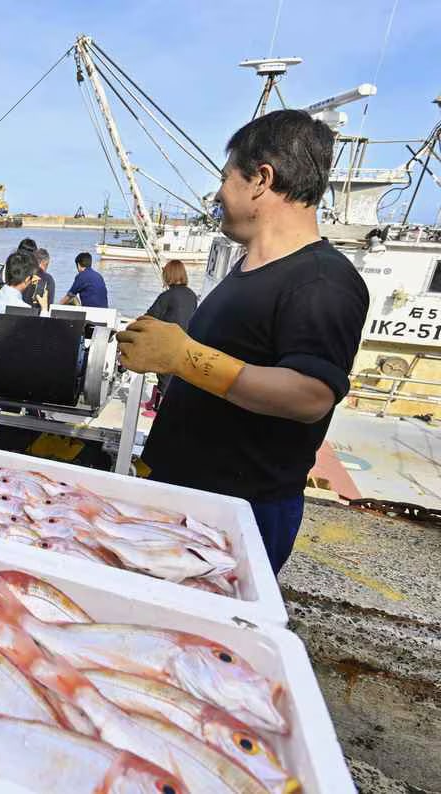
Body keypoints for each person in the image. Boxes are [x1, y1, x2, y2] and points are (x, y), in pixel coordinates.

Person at [117, 109, 369, 573]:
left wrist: (184, 356)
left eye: (226, 177)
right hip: (191, 501)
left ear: (261, 179)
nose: (217, 193)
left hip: (240, 513)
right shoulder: (247, 272)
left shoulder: (321, 280)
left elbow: (310, 394)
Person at [143, 258, 198, 406]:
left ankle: (158, 408)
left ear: (169, 275)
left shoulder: (167, 296)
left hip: (168, 343)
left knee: (164, 375)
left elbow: (149, 317)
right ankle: (153, 402)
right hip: (186, 342)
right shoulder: (192, 295)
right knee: (172, 376)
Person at [32, 246, 57, 310]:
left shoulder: (25, 275)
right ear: (44, 262)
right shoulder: (49, 279)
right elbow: (49, 304)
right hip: (40, 315)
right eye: (47, 264)